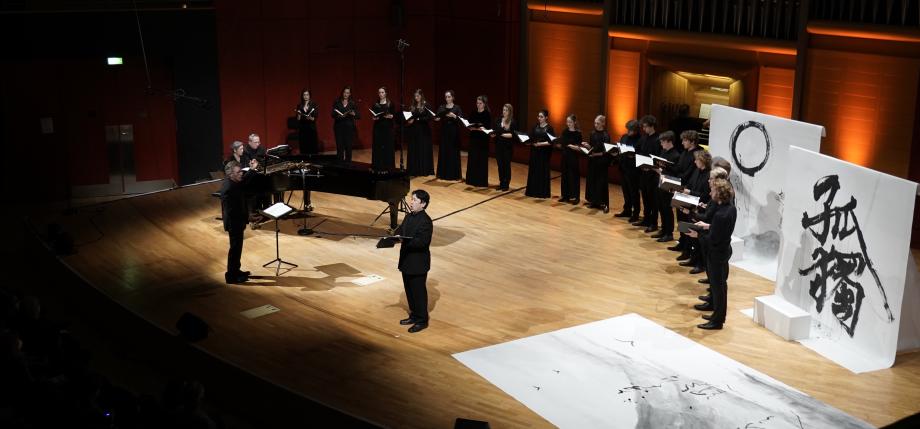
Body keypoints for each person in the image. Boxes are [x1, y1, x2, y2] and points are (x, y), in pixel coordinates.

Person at [687, 178, 737, 330]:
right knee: (719, 287)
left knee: (718, 288)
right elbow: (719, 232)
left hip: (716, 254)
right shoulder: (730, 208)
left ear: (719, 195)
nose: (711, 192)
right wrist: (708, 226)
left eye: (714, 191)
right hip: (723, 251)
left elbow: (713, 239)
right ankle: (715, 313)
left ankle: (717, 321)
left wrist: (698, 235)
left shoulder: (721, 215)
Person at [395, 189, 433, 333]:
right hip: (406, 260)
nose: (411, 202)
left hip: (418, 263)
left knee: (418, 292)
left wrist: (403, 241)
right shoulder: (409, 216)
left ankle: (422, 320)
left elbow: (423, 242)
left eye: (415, 200)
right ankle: (414, 315)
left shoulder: (426, 221)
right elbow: (402, 229)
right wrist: (394, 235)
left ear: (423, 204)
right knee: (409, 291)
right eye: (412, 199)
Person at [221, 159, 259, 284]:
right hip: (234, 224)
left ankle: (236, 271)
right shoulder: (229, 188)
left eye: (240, 171)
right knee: (235, 250)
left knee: (237, 249)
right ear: (230, 174)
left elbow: (243, 183)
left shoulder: (233, 182)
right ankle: (231, 277)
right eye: (238, 173)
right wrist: (248, 217)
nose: (241, 174)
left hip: (237, 222)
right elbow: (232, 212)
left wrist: (252, 169)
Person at [650, 131, 681, 242]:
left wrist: (661, 171)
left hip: (669, 185)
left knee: (667, 209)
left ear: (669, 141)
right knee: (661, 207)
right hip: (660, 182)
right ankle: (663, 230)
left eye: (663, 142)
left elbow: (676, 172)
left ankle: (669, 233)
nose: (661, 144)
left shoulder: (676, 155)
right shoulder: (663, 151)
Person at [633, 115, 660, 233]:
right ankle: (646, 219)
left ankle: (653, 223)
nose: (644, 129)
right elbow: (637, 149)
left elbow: (658, 157)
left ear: (652, 126)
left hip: (653, 174)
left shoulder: (658, 139)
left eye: (645, 127)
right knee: (645, 197)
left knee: (653, 200)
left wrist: (651, 167)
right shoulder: (643, 138)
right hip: (643, 173)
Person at [615, 119, 641, 220]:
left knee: (634, 192)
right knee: (625, 191)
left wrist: (633, 155)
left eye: (630, 130)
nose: (628, 132)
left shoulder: (640, 139)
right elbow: (620, 148)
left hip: (633, 170)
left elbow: (641, 154)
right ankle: (627, 210)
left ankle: (636, 213)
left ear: (636, 130)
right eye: (628, 129)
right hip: (623, 167)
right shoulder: (624, 137)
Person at [585, 115, 611, 213]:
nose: (595, 125)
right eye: (595, 123)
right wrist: (588, 147)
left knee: (602, 182)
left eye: (598, 123)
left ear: (603, 123)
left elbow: (606, 152)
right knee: (593, 181)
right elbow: (592, 147)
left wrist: (595, 154)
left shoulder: (606, 135)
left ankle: (604, 204)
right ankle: (594, 201)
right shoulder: (592, 133)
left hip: (602, 162)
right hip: (593, 161)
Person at [525, 109, 554, 198]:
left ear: (546, 118)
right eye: (538, 116)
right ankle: (532, 191)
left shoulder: (549, 128)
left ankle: (541, 193)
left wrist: (540, 144)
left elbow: (551, 142)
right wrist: (527, 141)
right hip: (534, 153)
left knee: (542, 172)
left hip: (543, 154)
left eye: (541, 117)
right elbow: (530, 137)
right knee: (534, 171)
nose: (539, 118)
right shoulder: (535, 127)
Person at [406, 89, 435, 176]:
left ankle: (423, 170)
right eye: (415, 96)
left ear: (421, 96)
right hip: (413, 130)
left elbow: (430, 117)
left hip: (423, 131)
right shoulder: (412, 106)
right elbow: (409, 116)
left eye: (418, 96)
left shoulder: (426, 105)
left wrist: (418, 119)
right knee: (414, 149)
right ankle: (414, 169)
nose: (416, 98)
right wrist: (409, 120)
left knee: (422, 149)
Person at [435, 90, 463, 180]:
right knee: (444, 151)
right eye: (446, 97)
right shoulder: (442, 107)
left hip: (453, 132)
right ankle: (443, 174)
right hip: (444, 132)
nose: (447, 98)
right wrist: (436, 118)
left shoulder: (457, 107)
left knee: (453, 152)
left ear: (453, 97)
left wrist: (454, 116)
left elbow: (461, 120)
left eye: (449, 97)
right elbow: (437, 117)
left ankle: (454, 175)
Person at [465, 95, 491, 187]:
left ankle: (481, 181)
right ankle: (471, 180)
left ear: (484, 104)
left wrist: (483, 128)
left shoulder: (487, 114)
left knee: (481, 160)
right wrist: (471, 128)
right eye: (477, 103)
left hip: (482, 140)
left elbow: (489, 127)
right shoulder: (473, 113)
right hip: (474, 139)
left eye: (480, 103)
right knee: (473, 159)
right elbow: (469, 125)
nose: (478, 105)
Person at [558, 114, 582, 204]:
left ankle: (575, 197)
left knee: (574, 177)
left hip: (573, 158)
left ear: (574, 122)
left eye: (570, 122)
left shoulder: (578, 133)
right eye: (567, 122)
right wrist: (558, 143)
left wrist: (572, 146)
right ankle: (565, 196)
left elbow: (579, 148)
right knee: (564, 176)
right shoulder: (565, 131)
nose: (568, 124)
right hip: (565, 156)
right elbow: (562, 144)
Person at [371, 86, 397, 170]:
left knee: (388, 146)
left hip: (388, 127)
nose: (380, 94)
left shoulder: (390, 103)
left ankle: (388, 166)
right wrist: (374, 118)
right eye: (379, 92)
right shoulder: (376, 104)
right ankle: (377, 165)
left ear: (386, 93)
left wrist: (391, 116)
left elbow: (394, 115)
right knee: (378, 146)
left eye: (382, 92)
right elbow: (373, 115)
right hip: (378, 127)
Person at [332, 86, 359, 161]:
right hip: (338, 127)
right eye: (344, 92)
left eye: (347, 93)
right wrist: (339, 115)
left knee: (348, 147)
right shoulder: (337, 102)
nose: (345, 94)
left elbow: (358, 116)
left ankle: (348, 165)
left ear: (350, 94)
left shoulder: (352, 103)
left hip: (349, 128)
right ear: (342, 93)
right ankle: (340, 165)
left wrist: (354, 114)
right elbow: (332, 114)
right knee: (339, 148)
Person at [493, 103, 516, 191]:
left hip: (507, 147)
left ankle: (506, 184)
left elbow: (512, 135)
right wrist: (494, 134)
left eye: (506, 110)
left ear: (510, 112)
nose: (504, 112)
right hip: (499, 146)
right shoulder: (498, 120)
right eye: (503, 110)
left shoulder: (512, 122)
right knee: (500, 165)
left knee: (506, 165)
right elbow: (495, 131)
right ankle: (501, 182)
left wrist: (501, 134)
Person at [294, 89, 318, 155]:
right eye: (304, 95)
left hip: (311, 128)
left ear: (310, 96)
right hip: (303, 128)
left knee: (312, 146)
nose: (306, 96)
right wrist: (299, 114)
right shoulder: (299, 105)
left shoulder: (313, 104)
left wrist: (310, 117)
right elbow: (298, 119)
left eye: (307, 95)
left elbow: (315, 118)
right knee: (304, 147)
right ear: (302, 96)